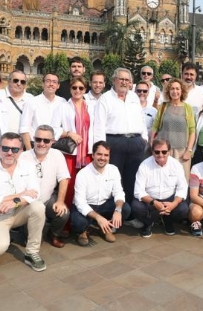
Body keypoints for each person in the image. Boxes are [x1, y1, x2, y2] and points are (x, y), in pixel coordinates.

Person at [0, 132, 46, 271]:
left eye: (14, 149)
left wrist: (15, 202)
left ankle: (32, 252)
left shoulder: (28, 166)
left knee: (38, 207)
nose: (9, 153)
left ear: (21, 150)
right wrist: (20, 195)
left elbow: (35, 193)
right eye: (5, 148)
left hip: (19, 211)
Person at [93, 68, 148, 218]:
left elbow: (141, 119)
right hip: (114, 143)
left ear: (131, 83)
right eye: (121, 79)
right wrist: (101, 148)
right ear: (114, 80)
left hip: (136, 142)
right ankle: (113, 214)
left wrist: (144, 139)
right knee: (114, 180)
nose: (124, 82)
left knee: (132, 179)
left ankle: (129, 215)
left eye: (127, 80)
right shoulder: (105, 99)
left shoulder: (134, 98)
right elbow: (99, 125)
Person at [18, 125, 70, 248]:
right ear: (34, 139)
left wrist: (60, 201)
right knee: (33, 242)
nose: (41, 143)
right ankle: (27, 231)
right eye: (38, 139)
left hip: (47, 199)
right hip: (28, 203)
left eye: (46, 140)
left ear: (53, 142)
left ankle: (53, 234)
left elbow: (64, 179)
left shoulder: (57, 155)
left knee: (64, 213)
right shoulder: (23, 157)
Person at [71, 141, 132, 245]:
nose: (102, 158)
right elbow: (80, 203)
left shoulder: (114, 170)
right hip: (87, 206)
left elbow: (119, 192)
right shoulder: (83, 174)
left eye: (106, 155)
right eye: (99, 154)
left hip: (104, 205)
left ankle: (106, 227)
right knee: (78, 222)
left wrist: (117, 210)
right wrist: (98, 217)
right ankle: (83, 231)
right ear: (93, 155)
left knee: (125, 209)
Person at [132, 138, 189, 237]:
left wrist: (174, 204)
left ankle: (168, 220)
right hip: (151, 199)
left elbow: (182, 188)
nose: (161, 155)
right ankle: (149, 223)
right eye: (157, 152)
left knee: (183, 209)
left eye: (164, 151)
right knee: (136, 207)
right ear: (152, 152)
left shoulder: (176, 165)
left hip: (170, 199)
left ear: (169, 152)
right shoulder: (144, 165)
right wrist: (154, 202)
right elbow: (138, 191)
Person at [53, 76, 92, 209]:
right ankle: (67, 221)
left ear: (85, 89)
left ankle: (82, 219)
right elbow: (53, 129)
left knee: (86, 187)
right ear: (70, 89)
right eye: (74, 87)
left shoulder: (91, 106)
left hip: (87, 152)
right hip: (70, 153)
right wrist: (69, 133)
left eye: (81, 88)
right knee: (69, 185)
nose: (77, 90)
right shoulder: (63, 107)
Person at [151, 78, 196, 177]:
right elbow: (155, 127)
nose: (175, 91)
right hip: (164, 151)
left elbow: (192, 130)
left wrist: (189, 150)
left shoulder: (187, 108)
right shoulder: (163, 107)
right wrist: (152, 145)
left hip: (182, 151)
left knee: (182, 180)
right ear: (168, 91)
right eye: (172, 89)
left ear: (182, 91)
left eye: (177, 89)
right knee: (163, 178)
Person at [20, 73, 64, 150]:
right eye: (48, 81)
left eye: (54, 82)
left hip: (56, 146)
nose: (51, 84)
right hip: (36, 145)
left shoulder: (62, 102)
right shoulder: (32, 102)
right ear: (42, 84)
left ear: (58, 85)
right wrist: (29, 151)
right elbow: (24, 128)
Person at [0, 70, 34, 134]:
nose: (19, 84)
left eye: (22, 82)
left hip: (22, 141)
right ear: (9, 81)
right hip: (2, 140)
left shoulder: (31, 99)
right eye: (15, 81)